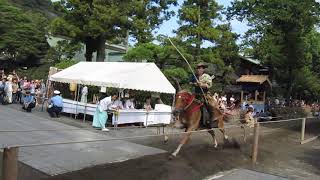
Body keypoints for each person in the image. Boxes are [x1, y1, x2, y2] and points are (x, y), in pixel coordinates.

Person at [189, 62, 213, 127]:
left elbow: (209, 85)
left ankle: (208, 120)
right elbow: (190, 82)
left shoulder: (207, 76)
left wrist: (201, 85)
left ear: (203, 69)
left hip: (204, 95)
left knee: (207, 105)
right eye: (198, 68)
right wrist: (195, 84)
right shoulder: (194, 76)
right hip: (196, 94)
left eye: (200, 68)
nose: (199, 69)